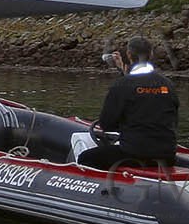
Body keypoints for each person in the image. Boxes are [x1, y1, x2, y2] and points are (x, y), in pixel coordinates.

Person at [77, 37, 180, 171]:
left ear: (129, 54)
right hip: (167, 155)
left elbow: (107, 123)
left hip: (134, 153)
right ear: (151, 54)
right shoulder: (168, 85)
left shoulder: (122, 85)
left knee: (86, 157)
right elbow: (173, 120)